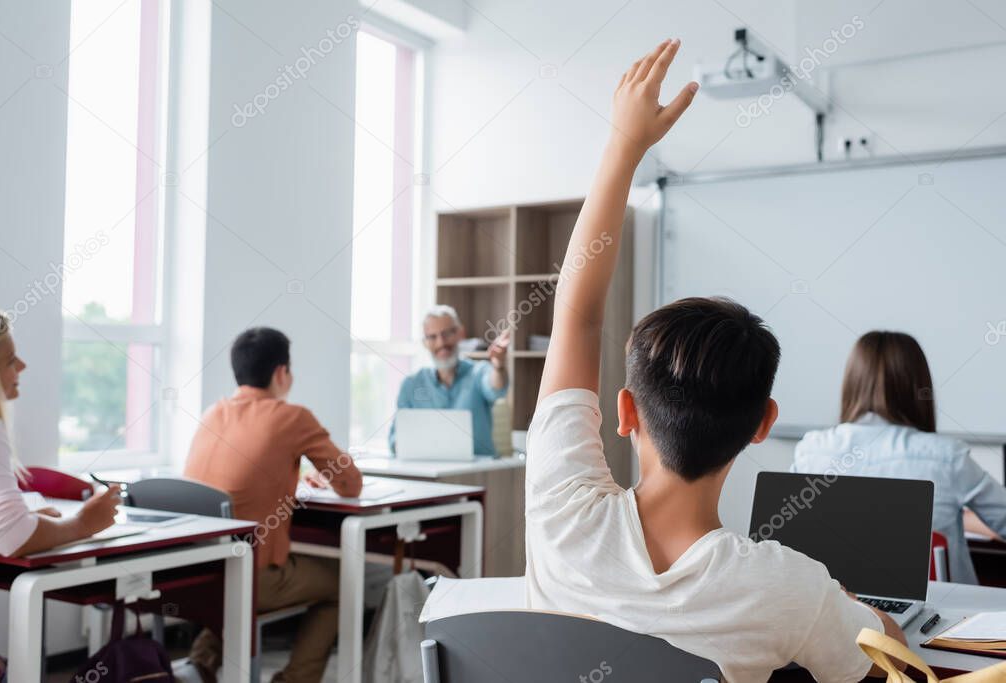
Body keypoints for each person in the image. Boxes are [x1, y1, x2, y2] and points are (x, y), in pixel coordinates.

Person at [524, 40, 904, 682]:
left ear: (625, 412)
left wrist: (624, 145)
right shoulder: (787, 590)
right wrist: (846, 609)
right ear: (763, 423)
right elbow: (890, 660)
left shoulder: (561, 516)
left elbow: (576, 316)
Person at [184, 326, 363, 683]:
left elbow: (237, 481)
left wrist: (294, 479)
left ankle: (200, 664)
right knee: (346, 583)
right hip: (249, 578)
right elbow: (351, 484)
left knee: (235, 574)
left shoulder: (211, 414)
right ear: (282, 372)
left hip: (197, 575)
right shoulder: (292, 417)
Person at [793, 330, 1006, 585]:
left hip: (843, 612)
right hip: (940, 618)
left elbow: (794, 543)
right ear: (918, 386)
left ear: (852, 384)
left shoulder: (812, 450)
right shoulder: (946, 456)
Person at [0, 307, 120, 669]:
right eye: (10, 360)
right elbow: (13, 537)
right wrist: (84, 524)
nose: (22, 367)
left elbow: (5, 524)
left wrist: (19, 516)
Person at [389, 305, 509, 456]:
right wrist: (405, 447)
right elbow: (395, 439)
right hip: (427, 472)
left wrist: (498, 366)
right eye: (432, 337)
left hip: (477, 474)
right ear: (425, 343)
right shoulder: (411, 384)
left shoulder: (478, 373)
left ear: (460, 334)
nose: (441, 343)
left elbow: (496, 389)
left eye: (447, 334)